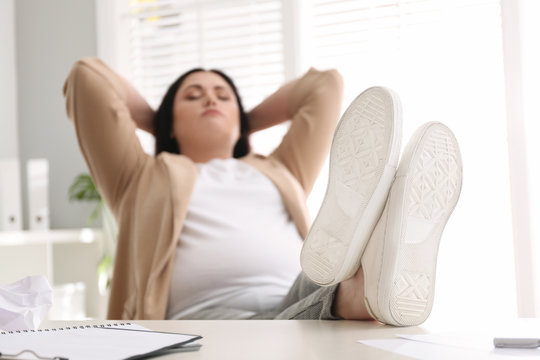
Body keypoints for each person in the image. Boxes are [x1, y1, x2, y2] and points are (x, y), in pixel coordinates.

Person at [63, 57, 462, 326]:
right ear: (168, 121)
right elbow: (87, 78)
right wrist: (162, 121)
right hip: (209, 317)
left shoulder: (279, 169)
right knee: (292, 325)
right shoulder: (141, 177)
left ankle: (370, 260)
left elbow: (324, 87)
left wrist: (238, 121)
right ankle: (365, 281)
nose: (210, 99)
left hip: (297, 289)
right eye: (193, 95)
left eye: (223, 95)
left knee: (334, 282)